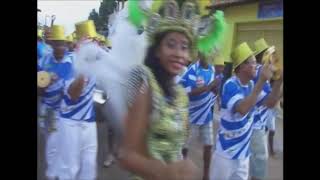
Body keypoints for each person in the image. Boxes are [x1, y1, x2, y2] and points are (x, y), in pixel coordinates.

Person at [118, 1, 226, 180]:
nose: (179, 53)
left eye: (184, 47)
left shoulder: (180, 94)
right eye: (171, 44)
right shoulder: (146, 87)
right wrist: (163, 171)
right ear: (157, 50)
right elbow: (126, 155)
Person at [209, 42, 274, 180]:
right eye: (253, 63)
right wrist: (262, 81)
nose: (257, 66)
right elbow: (243, 109)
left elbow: (270, 102)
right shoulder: (230, 85)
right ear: (242, 66)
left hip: (243, 155)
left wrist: (279, 80)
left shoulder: (251, 85)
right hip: (225, 155)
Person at [57, 20, 101, 180]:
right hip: (70, 121)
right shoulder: (68, 62)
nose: (95, 44)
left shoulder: (96, 62)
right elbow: (73, 94)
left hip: (89, 121)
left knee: (89, 167)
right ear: (80, 45)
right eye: (91, 41)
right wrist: (83, 66)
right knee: (70, 169)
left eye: (95, 41)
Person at [37, 25, 73, 180]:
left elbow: (70, 88)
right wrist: (43, 84)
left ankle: (53, 175)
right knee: (50, 142)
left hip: (62, 111)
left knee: (54, 146)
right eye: (56, 43)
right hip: (46, 108)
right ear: (51, 44)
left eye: (62, 43)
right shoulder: (44, 59)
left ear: (66, 45)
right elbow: (39, 85)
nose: (60, 47)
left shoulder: (70, 62)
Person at [179, 52, 221, 180]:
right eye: (206, 52)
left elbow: (213, 90)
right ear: (200, 54)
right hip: (191, 116)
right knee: (184, 147)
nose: (209, 55)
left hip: (206, 115)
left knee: (209, 145)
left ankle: (206, 175)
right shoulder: (193, 69)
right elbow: (188, 91)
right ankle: (180, 172)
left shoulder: (212, 69)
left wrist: (216, 89)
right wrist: (209, 86)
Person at [249, 38, 283, 180]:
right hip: (255, 125)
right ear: (263, 56)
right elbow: (270, 102)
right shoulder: (259, 73)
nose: (273, 60)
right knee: (259, 164)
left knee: (253, 163)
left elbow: (273, 99)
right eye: (271, 55)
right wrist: (280, 80)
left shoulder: (263, 74)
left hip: (259, 124)